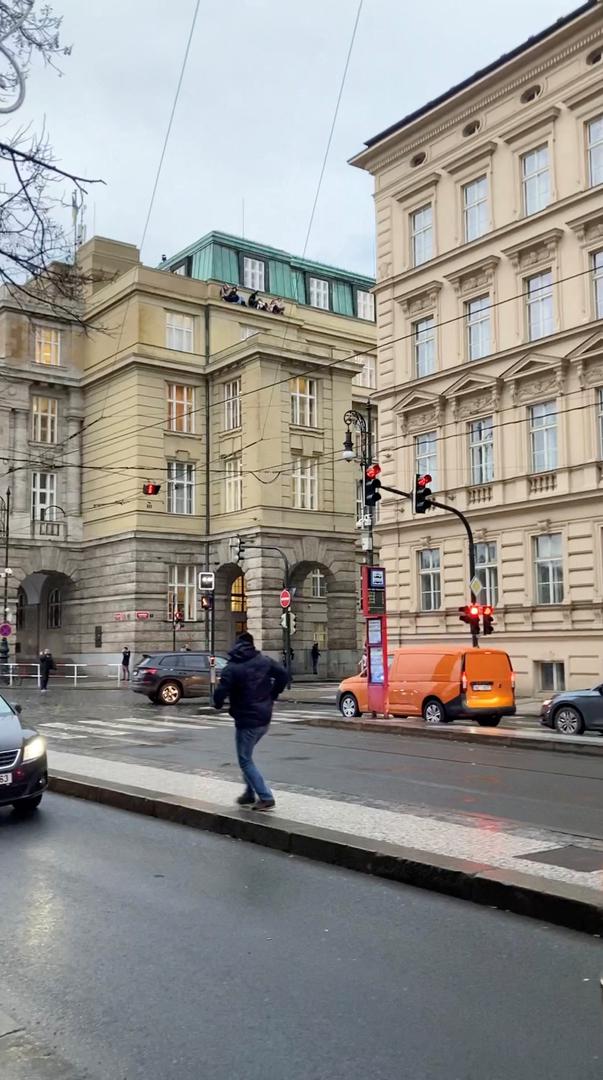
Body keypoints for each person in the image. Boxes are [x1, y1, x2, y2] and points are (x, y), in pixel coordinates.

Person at [213, 631, 287, 811]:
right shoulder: (264, 661)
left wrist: (217, 703)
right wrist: (273, 693)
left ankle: (265, 796)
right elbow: (283, 675)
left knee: (245, 759)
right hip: (264, 716)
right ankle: (248, 793)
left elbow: (221, 690)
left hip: (246, 719)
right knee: (248, 758)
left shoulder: (232, 667)